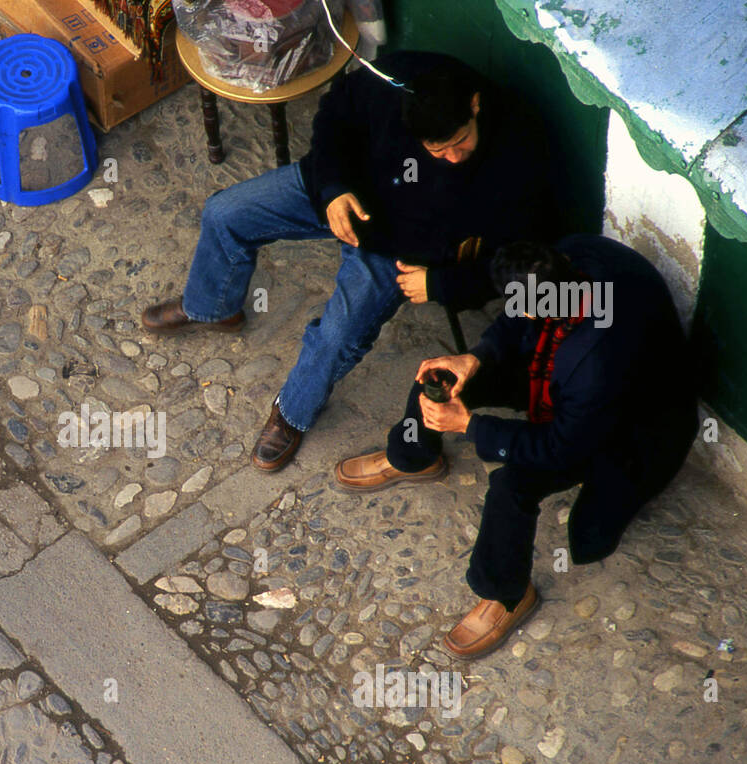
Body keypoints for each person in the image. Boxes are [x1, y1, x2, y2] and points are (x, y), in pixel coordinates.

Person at [140, 51, 555, 471]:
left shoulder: (518, 155)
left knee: (336, 336)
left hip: (397, 253)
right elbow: (335, 116)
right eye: (437, 149)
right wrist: (333, 187)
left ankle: (292, 412)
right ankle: (213, 308)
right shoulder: (396, 80)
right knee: (224, 213)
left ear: (475, 106)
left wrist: (441, 284)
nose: (452, 157)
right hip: (341, 193)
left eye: (459, 143)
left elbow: (517, 264)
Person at [334, 235, 697, 658]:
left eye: (524, 305)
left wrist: (470, 425)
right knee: (444, 383)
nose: (518, 310)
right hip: (555, 380)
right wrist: (475, 357)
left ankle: (506, 593)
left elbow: (560, 448)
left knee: (511, 486)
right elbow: (516, 317)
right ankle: (413, 456)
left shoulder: (599, 360)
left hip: (624, 428)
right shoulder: (564, 262)